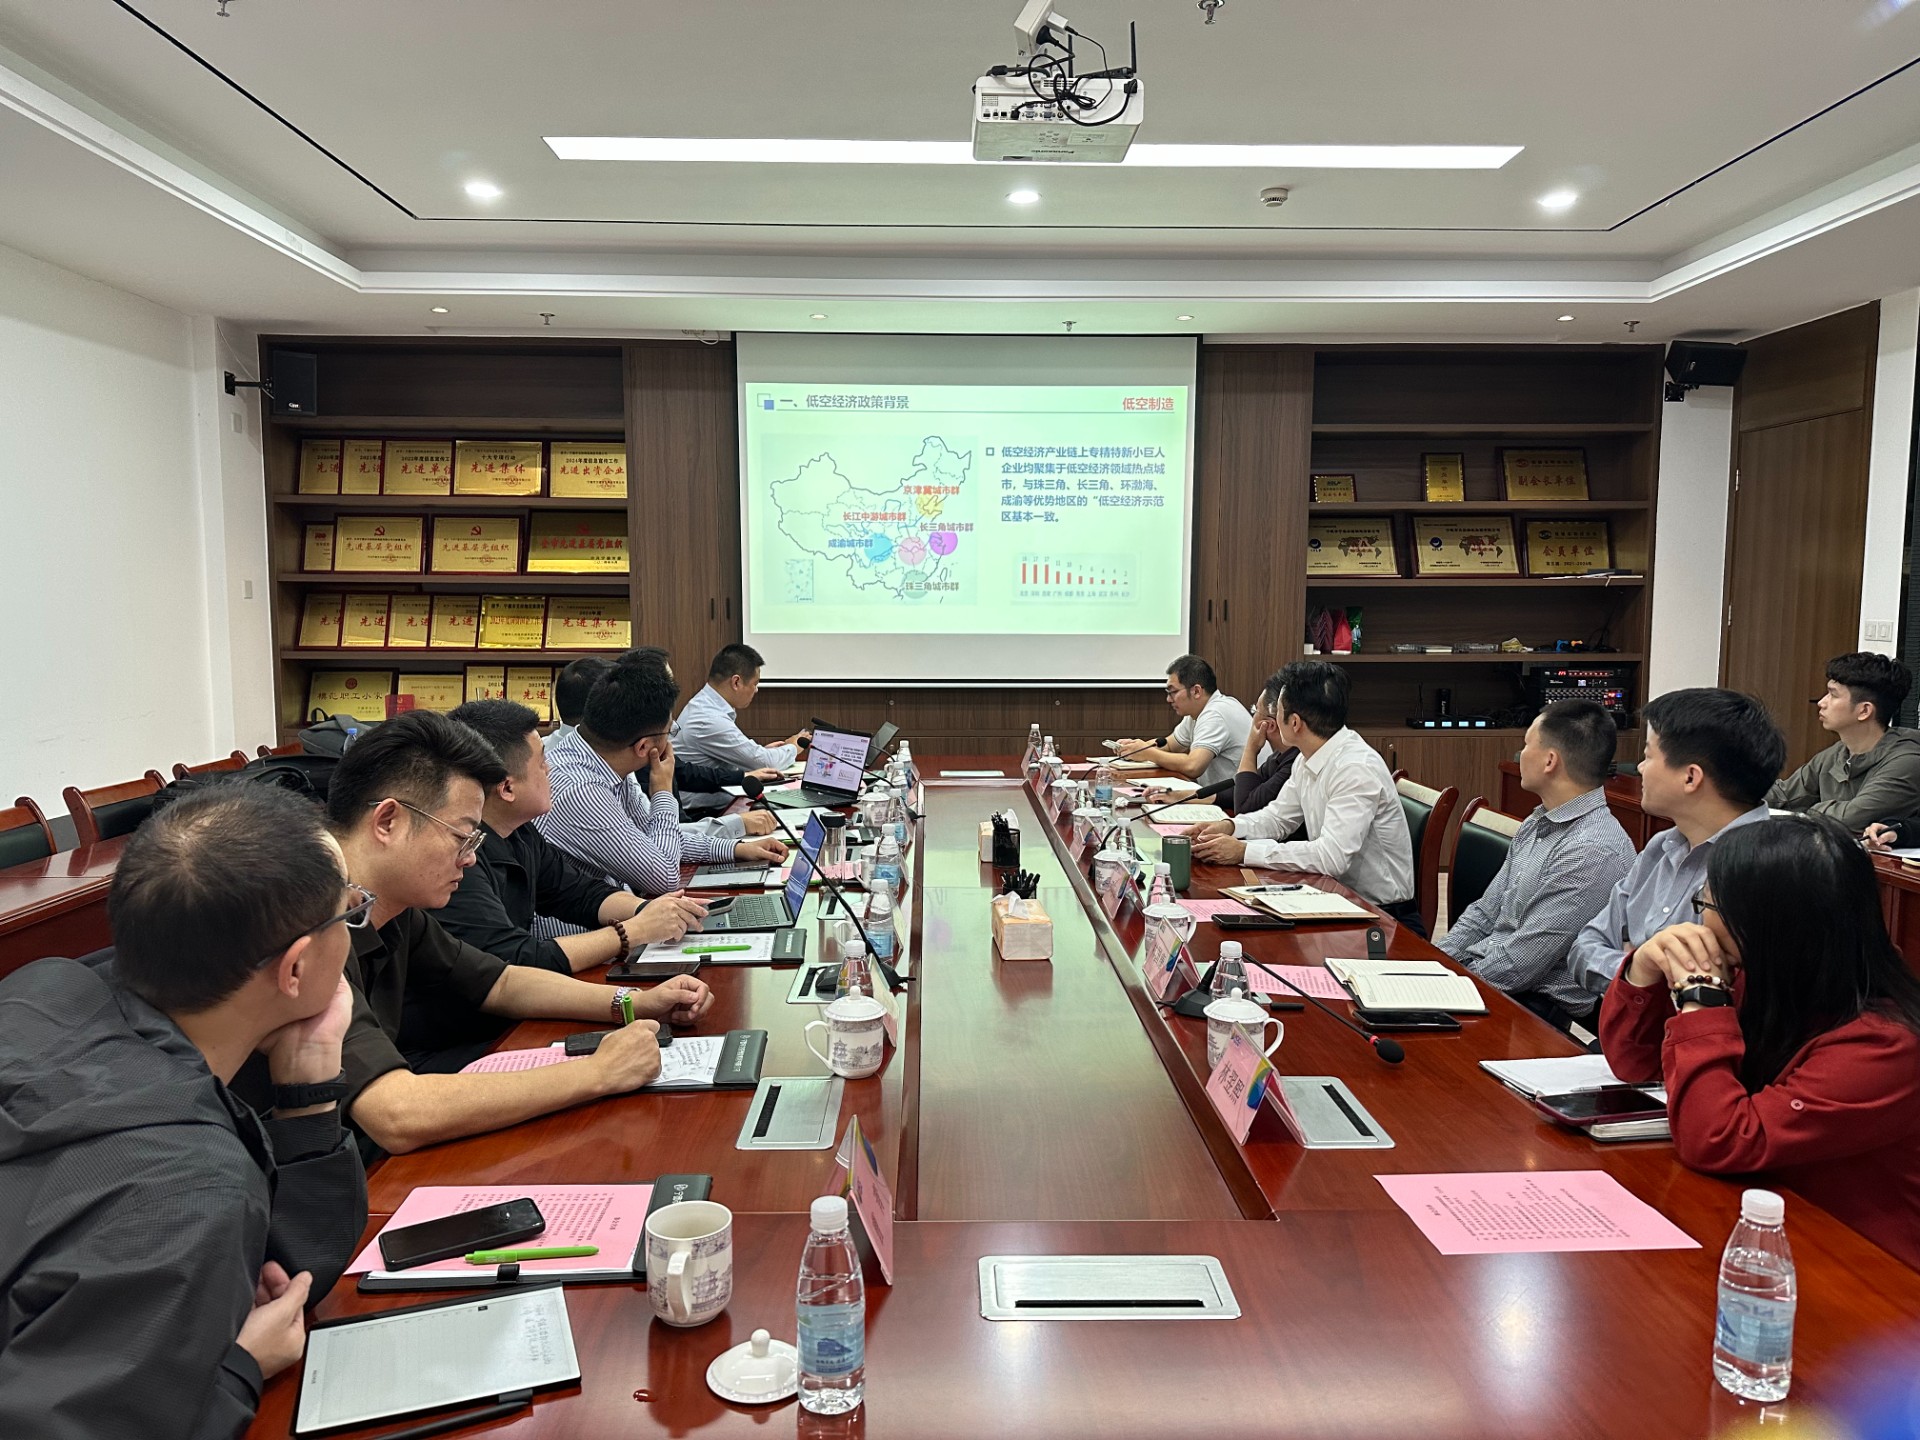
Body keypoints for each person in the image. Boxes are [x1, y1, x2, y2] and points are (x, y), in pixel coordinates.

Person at [0, 786, 367, 1439]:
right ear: (296, 968)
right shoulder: (194, 1188)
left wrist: (307, 1079)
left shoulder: (41, 987)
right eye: (348, 913)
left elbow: (262, 1265)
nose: (353, 926)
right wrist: (239, 1369)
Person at [324, 710, 715, 1156]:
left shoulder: (393, 907)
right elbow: (397, 1114)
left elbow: (502, 981)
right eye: (462, 837)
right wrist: (599, 1072)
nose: (471, 859)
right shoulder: (308, 917)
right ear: (388, 822)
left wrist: (635, 1003)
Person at [1600, 814, 1920, 1270]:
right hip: (1759, 1226)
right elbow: (1635, 1064)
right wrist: (1643, 971)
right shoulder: (1767, 974)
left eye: (1709, 903)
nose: (1701, 918)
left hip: (1860, 1268)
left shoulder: (1886, 1043)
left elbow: (1721, 1139)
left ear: (1770, 924)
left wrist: (1703, 1002)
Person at [1567, 688, 1785, 1007]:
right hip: (1631, 1029)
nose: (1640, 768)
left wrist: (1639, 973)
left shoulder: (1768, 866)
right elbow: (1584, 948)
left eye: (1648, 756)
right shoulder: (1662, 847)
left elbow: (1719, 995)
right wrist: (1638, 969)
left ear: (1690, 778)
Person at [1439, 701, 1636, 1032]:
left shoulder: (1592, 850)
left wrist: (1447, 986)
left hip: (1531, 1010)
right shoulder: (1539, 820)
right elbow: (1485, 913)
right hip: (1488, 980)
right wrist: (1436, 963)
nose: (1520, 755)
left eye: (1527, 744)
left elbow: (1519, 966)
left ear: (1549, 761)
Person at [1185, 659, 1418, 925]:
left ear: (1294, 722)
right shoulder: (1307, 758)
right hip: (1335, 897)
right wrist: (1230, 827)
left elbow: (1331, 858)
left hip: (1382, 917)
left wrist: (1244, 851)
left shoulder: (1355, 768)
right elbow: (1277, 818)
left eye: (1277, 710)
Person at [541, 650, 788, 898]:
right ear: (643, 747)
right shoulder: (581, 790)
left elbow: (657, 837)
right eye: (670, 731)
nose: (671, 741)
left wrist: (735, 849)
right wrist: (662, 791)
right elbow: (663, 876)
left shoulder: (610, 759)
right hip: (596, 920)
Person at [554, 654, 782, 829]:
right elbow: (658, 862)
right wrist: (663, 794)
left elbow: (662, 837)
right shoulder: (586, 782)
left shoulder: (617, 764)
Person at [1767, 651, 1920, 833]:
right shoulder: (1837, 753)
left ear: (1864, 711)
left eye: (1833, 695)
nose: (1821, 702)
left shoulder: (1907, 762)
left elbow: (1849, 819)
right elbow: (1783, 796)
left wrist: (1807, 811)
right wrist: (1741, 795)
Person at [1112, 654, 1252, 792]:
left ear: (1196, 691)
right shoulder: (1198, 712)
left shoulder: (1215, 714)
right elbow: (1169, 745)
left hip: (1238, 801)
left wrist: (1147, 753)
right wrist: (1135, 748)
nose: (1168, 699)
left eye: (1173, 692)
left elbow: (1193, 766)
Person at [673, 642, 812, 774]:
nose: (756, 690)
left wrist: (760, 753)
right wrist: (793, 746)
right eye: (755, 684)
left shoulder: (704, 704)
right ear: (736, 682)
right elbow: (766, 763)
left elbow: (743, 761)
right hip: (705, 792)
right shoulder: (709, 719)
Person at [1233, 670, 1299, 817]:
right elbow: (1247, 788)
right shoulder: (1279, 756)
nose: (1253, 716)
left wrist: (1251, 747)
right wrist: (1194, 795)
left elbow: (1244, 809)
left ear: (1269, 724)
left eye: (1256, 710)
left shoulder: (1295, 763)